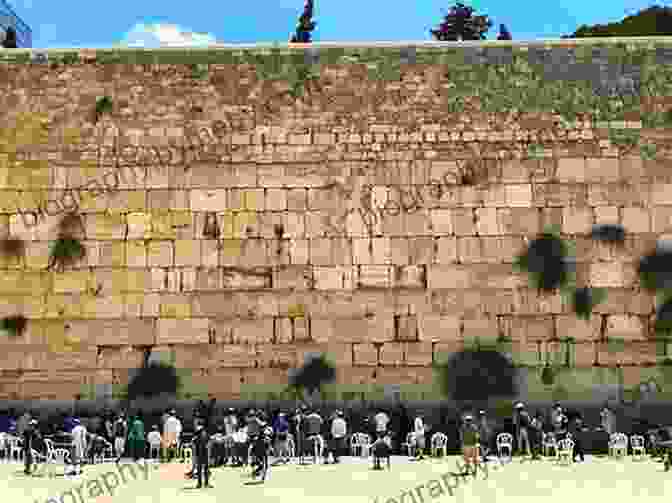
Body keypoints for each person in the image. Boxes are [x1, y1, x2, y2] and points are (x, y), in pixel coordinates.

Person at [193, 421, 212, 488]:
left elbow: (194, 444)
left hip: (201, 453)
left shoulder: (198, 434)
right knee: (204, 468)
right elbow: (209, 442)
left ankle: (201, 483)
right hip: (203, 452)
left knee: (201, 469)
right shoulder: (204, 433)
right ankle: (204, 483)